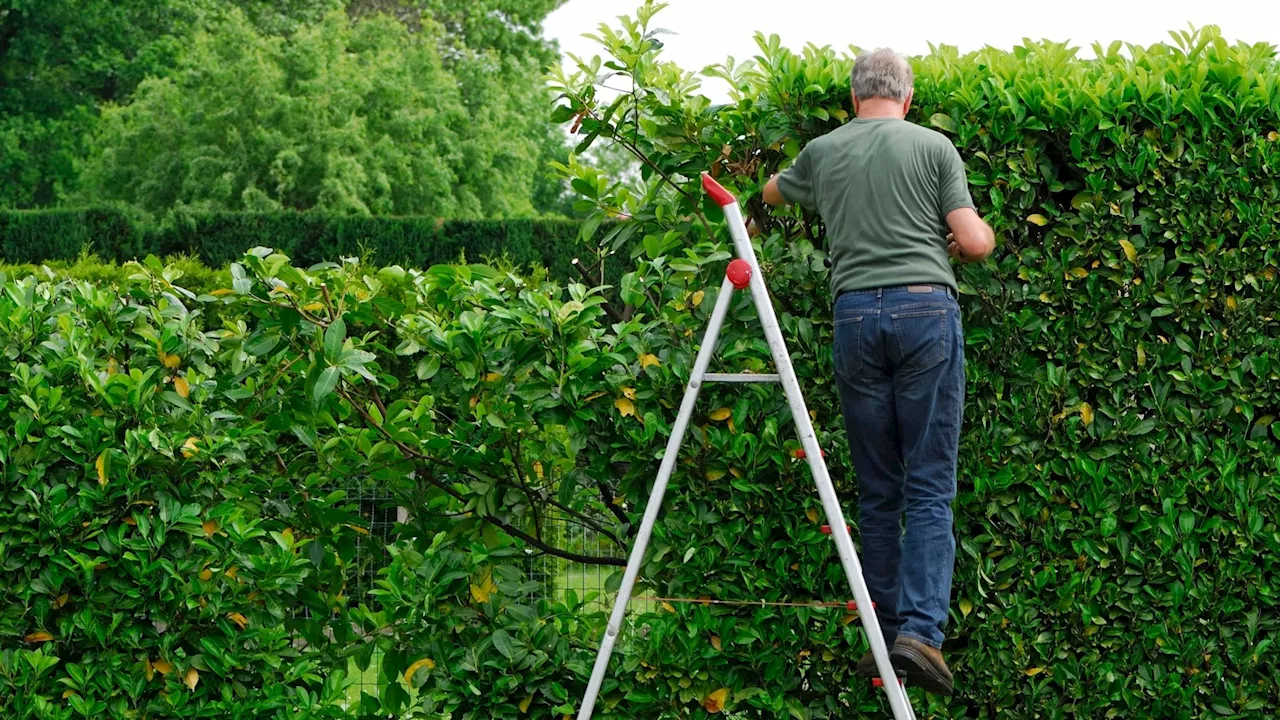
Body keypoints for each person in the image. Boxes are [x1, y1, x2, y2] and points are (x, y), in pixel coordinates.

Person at [761, 47, 994, 696]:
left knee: (879, 490)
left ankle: (881, 634)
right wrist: (974, 237)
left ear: (853, 97)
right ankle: (919, 635)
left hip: (855, 317)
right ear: (908, 98)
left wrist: (768, 186)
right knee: (928, 484)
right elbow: (973, 242)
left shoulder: (825, 152)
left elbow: (774, 192)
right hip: (925, 312)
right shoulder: (932, 148)